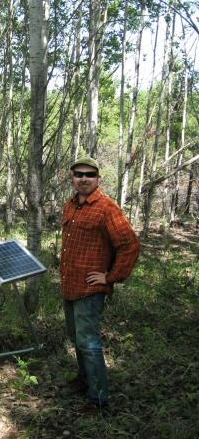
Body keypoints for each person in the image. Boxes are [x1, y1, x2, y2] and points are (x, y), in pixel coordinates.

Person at [60, 156, 140, 409]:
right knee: (77, 338)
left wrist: (110, 276)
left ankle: (98, 398)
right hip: (70, 286)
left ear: (97, 179)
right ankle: (85, 381)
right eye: (79, 174)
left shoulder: (107, 208)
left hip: (90, 290)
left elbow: (129, 244)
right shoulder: (70, 206)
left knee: (89, 343)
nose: (84, 179)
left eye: (89, 175)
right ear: (72, 177)